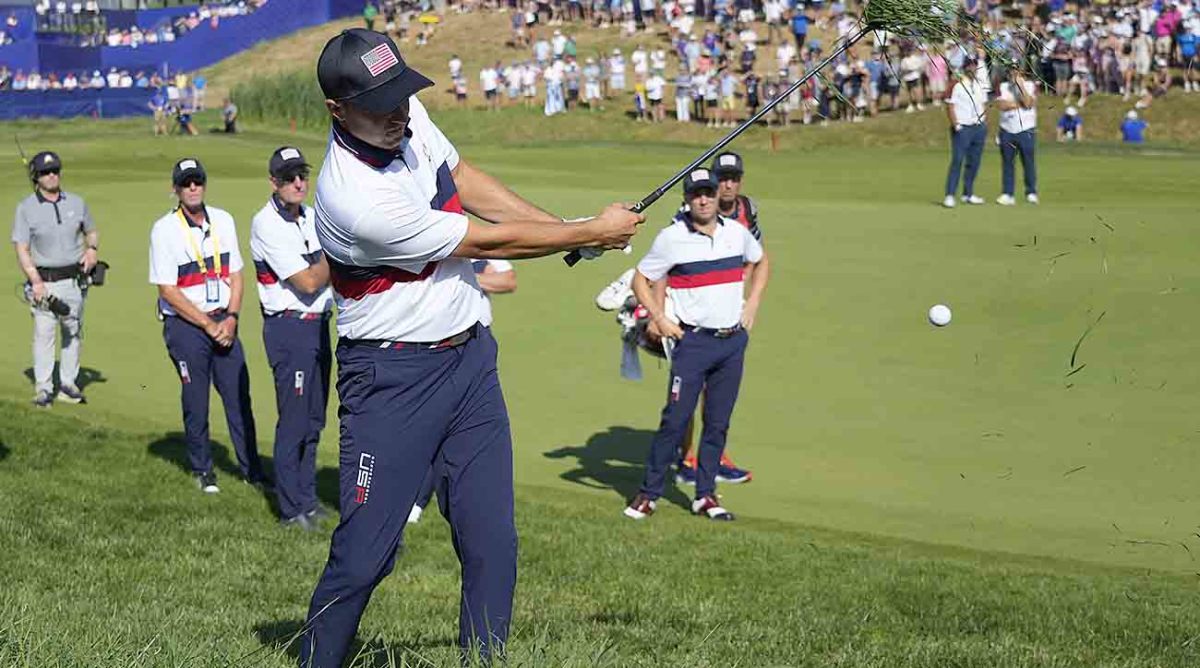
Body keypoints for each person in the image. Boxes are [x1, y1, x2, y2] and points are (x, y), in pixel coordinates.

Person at [299, 29, 642, 667]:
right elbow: (483, 244)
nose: (397, 112)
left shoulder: (405, 117)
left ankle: (484, 661)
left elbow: (461, 176)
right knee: (366, 553)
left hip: (470, 364)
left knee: (492, 540)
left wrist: (563, 230)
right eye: (378, 104)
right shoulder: (352, 198)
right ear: (337, 111)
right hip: (390, 378)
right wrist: (587, 229)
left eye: (400, 93)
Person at [623, 167, 767, 522]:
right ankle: (649, 494)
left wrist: (752, 303)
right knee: (675, 420)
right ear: (687, 199)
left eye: (708, 192)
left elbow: (761, 261)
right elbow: (641, 279)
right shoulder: (671, 238)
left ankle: (705, 496)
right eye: (695, 193)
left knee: (718, 422)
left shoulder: (737, 232)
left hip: (732, 342)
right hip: (693, 343)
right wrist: (659, 317)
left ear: (718, 195)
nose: (703, 199)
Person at [148, 158, 268, 494]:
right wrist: (206, 324)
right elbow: (167, 290)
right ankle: (203, 469)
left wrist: (231, 317)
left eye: (197, 181)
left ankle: (252, 471)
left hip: (224, 320)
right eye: (186, 183)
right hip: (186, 325)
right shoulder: (164, 229)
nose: (192, 187)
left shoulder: (224, 220)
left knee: (238, 398)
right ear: (175, 189)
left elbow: (236, 274)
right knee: (196, 399)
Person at [250, 147, 334, 530]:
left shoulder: (313, 216)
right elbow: (308, 281)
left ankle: (308, 499)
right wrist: (341, 254)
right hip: (289, 327)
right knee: (294, 421)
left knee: (314, 420)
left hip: (318, 323)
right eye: (289, 177)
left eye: (302, 174)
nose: (299, 182)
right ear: (274, 183)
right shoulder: (266, 224)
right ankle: (289, 509)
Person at [407, 257, 517, 525]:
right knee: (426, 425)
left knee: (461, 429)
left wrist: (459, 276)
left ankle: (432, 500)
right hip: (429, 340)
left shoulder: (485, 240)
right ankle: (413, 497)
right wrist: (474, 274)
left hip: (477, 338)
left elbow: (508, 281)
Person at [11, 151, 98, 407]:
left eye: (55, 171)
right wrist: (35, 281)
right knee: (44, 334)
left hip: (74, 280)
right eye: (46, 172)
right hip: (44, 283)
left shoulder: (77, 203)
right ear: (36, 177)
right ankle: (44, 388)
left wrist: (92, 249)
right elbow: (22, 248)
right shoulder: (26, 208)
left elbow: (91, 231)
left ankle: (68, 385)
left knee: (73, 332)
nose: (52, 176)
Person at [942, 58, 988, 208]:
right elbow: (950, 106)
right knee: (957, 161)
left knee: (974, 162)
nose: (973, 69)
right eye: (970, 66)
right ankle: (949, 195)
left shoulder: (979, 84)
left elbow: (983, 104)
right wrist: (956, 125)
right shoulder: (957, 84)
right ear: (965, 68)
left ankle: (968, 194)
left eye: (975, 66)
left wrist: (983, 122)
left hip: (978, 128)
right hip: (963, 128)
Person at [995, 70, 1039, 206]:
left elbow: (1028, 103)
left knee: (1028, 162)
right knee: (1007, 163)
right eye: (1010, 72)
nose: (1013, 75)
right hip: (1007, 129)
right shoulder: (1002, 86)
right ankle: (1008, 194)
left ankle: (1031, 192)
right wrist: (1018, 105)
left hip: (1026, 129)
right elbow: (1001, 105)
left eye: (1016, 72)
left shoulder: (1030, 85)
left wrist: (1021, 87)